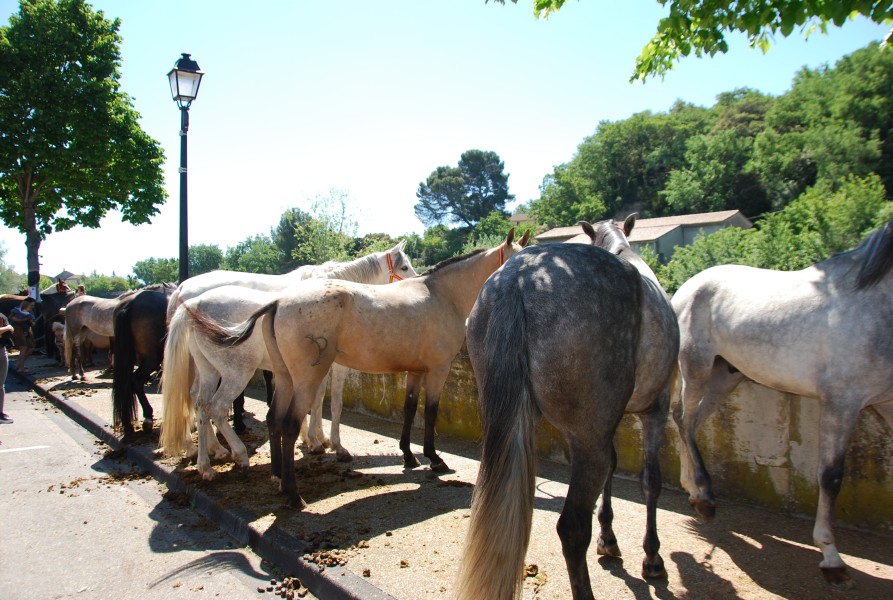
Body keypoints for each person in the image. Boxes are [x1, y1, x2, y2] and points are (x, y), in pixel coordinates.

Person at [9, 298, 37, 373]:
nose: (32, 307)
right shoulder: (17, 310)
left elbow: (33, 323)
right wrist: (23, 320)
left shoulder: (30, 312)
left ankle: (19, 364)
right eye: (31, 305)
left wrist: (31, 322)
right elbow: (11, 318)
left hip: (27, 329)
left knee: (31, 347)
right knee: (23, 348)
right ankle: (21, 367)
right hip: (18, 329)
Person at [0, 311, 14, 423]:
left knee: (0, 384)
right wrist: (8, 327)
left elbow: (9, 333)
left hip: (1, 349)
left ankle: (0, 412)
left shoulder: (1, 316)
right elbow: (9, 329)